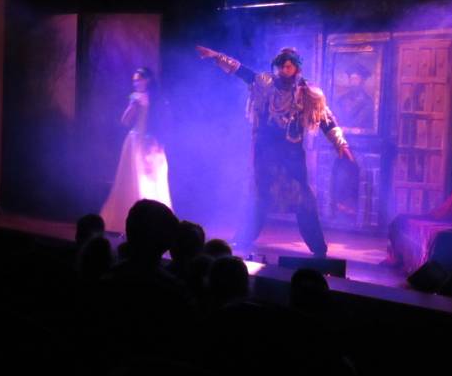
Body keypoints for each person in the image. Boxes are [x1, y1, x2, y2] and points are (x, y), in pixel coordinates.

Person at [196, 45, 354, 257]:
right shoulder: (265, 84)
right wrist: (217, 55)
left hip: (291, 155)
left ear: (296, 68)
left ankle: (319, 249)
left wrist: (341, 144)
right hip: (267, 152)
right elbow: (242, 71)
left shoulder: (307, 93)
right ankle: (243, 240)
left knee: (303, 200)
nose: (284, 70)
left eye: (289, 66)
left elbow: (326, 120)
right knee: (260, 196)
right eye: (281, 66)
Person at [99, 67, 172, 233]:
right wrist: (133, 106)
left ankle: (155, 220)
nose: (136, 83)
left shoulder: (155, 99)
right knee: (134, 179)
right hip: (139, 142)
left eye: (139, 79)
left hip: (150, 143)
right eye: (134, 80)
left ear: (148, 80)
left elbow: (164, 122)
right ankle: (137, 220)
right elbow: (125, 121)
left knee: (153, 180)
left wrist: (158, 140)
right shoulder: (138, 98)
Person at [334, 62, 375, 132]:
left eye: (356, 79)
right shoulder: (341, 99)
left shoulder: (368, 102)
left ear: (362, 81)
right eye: (351, 79)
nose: (353, 82)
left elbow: (364, 123)